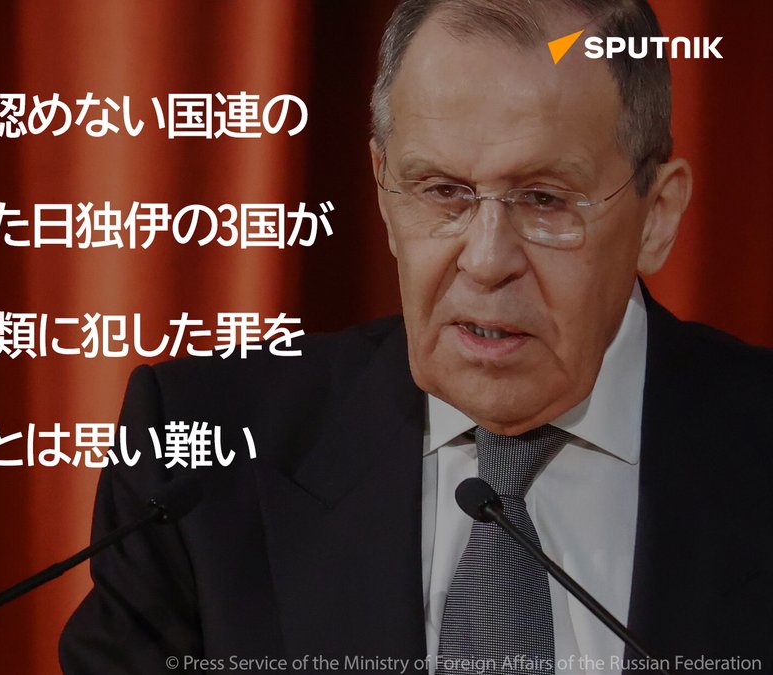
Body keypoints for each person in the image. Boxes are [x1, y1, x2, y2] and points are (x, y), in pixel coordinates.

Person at [60, 1, 773, 673]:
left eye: (545, 199)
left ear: (657, 215)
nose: (486, 260)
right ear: (383, 188)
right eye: (442, 191)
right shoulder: (201, 455)